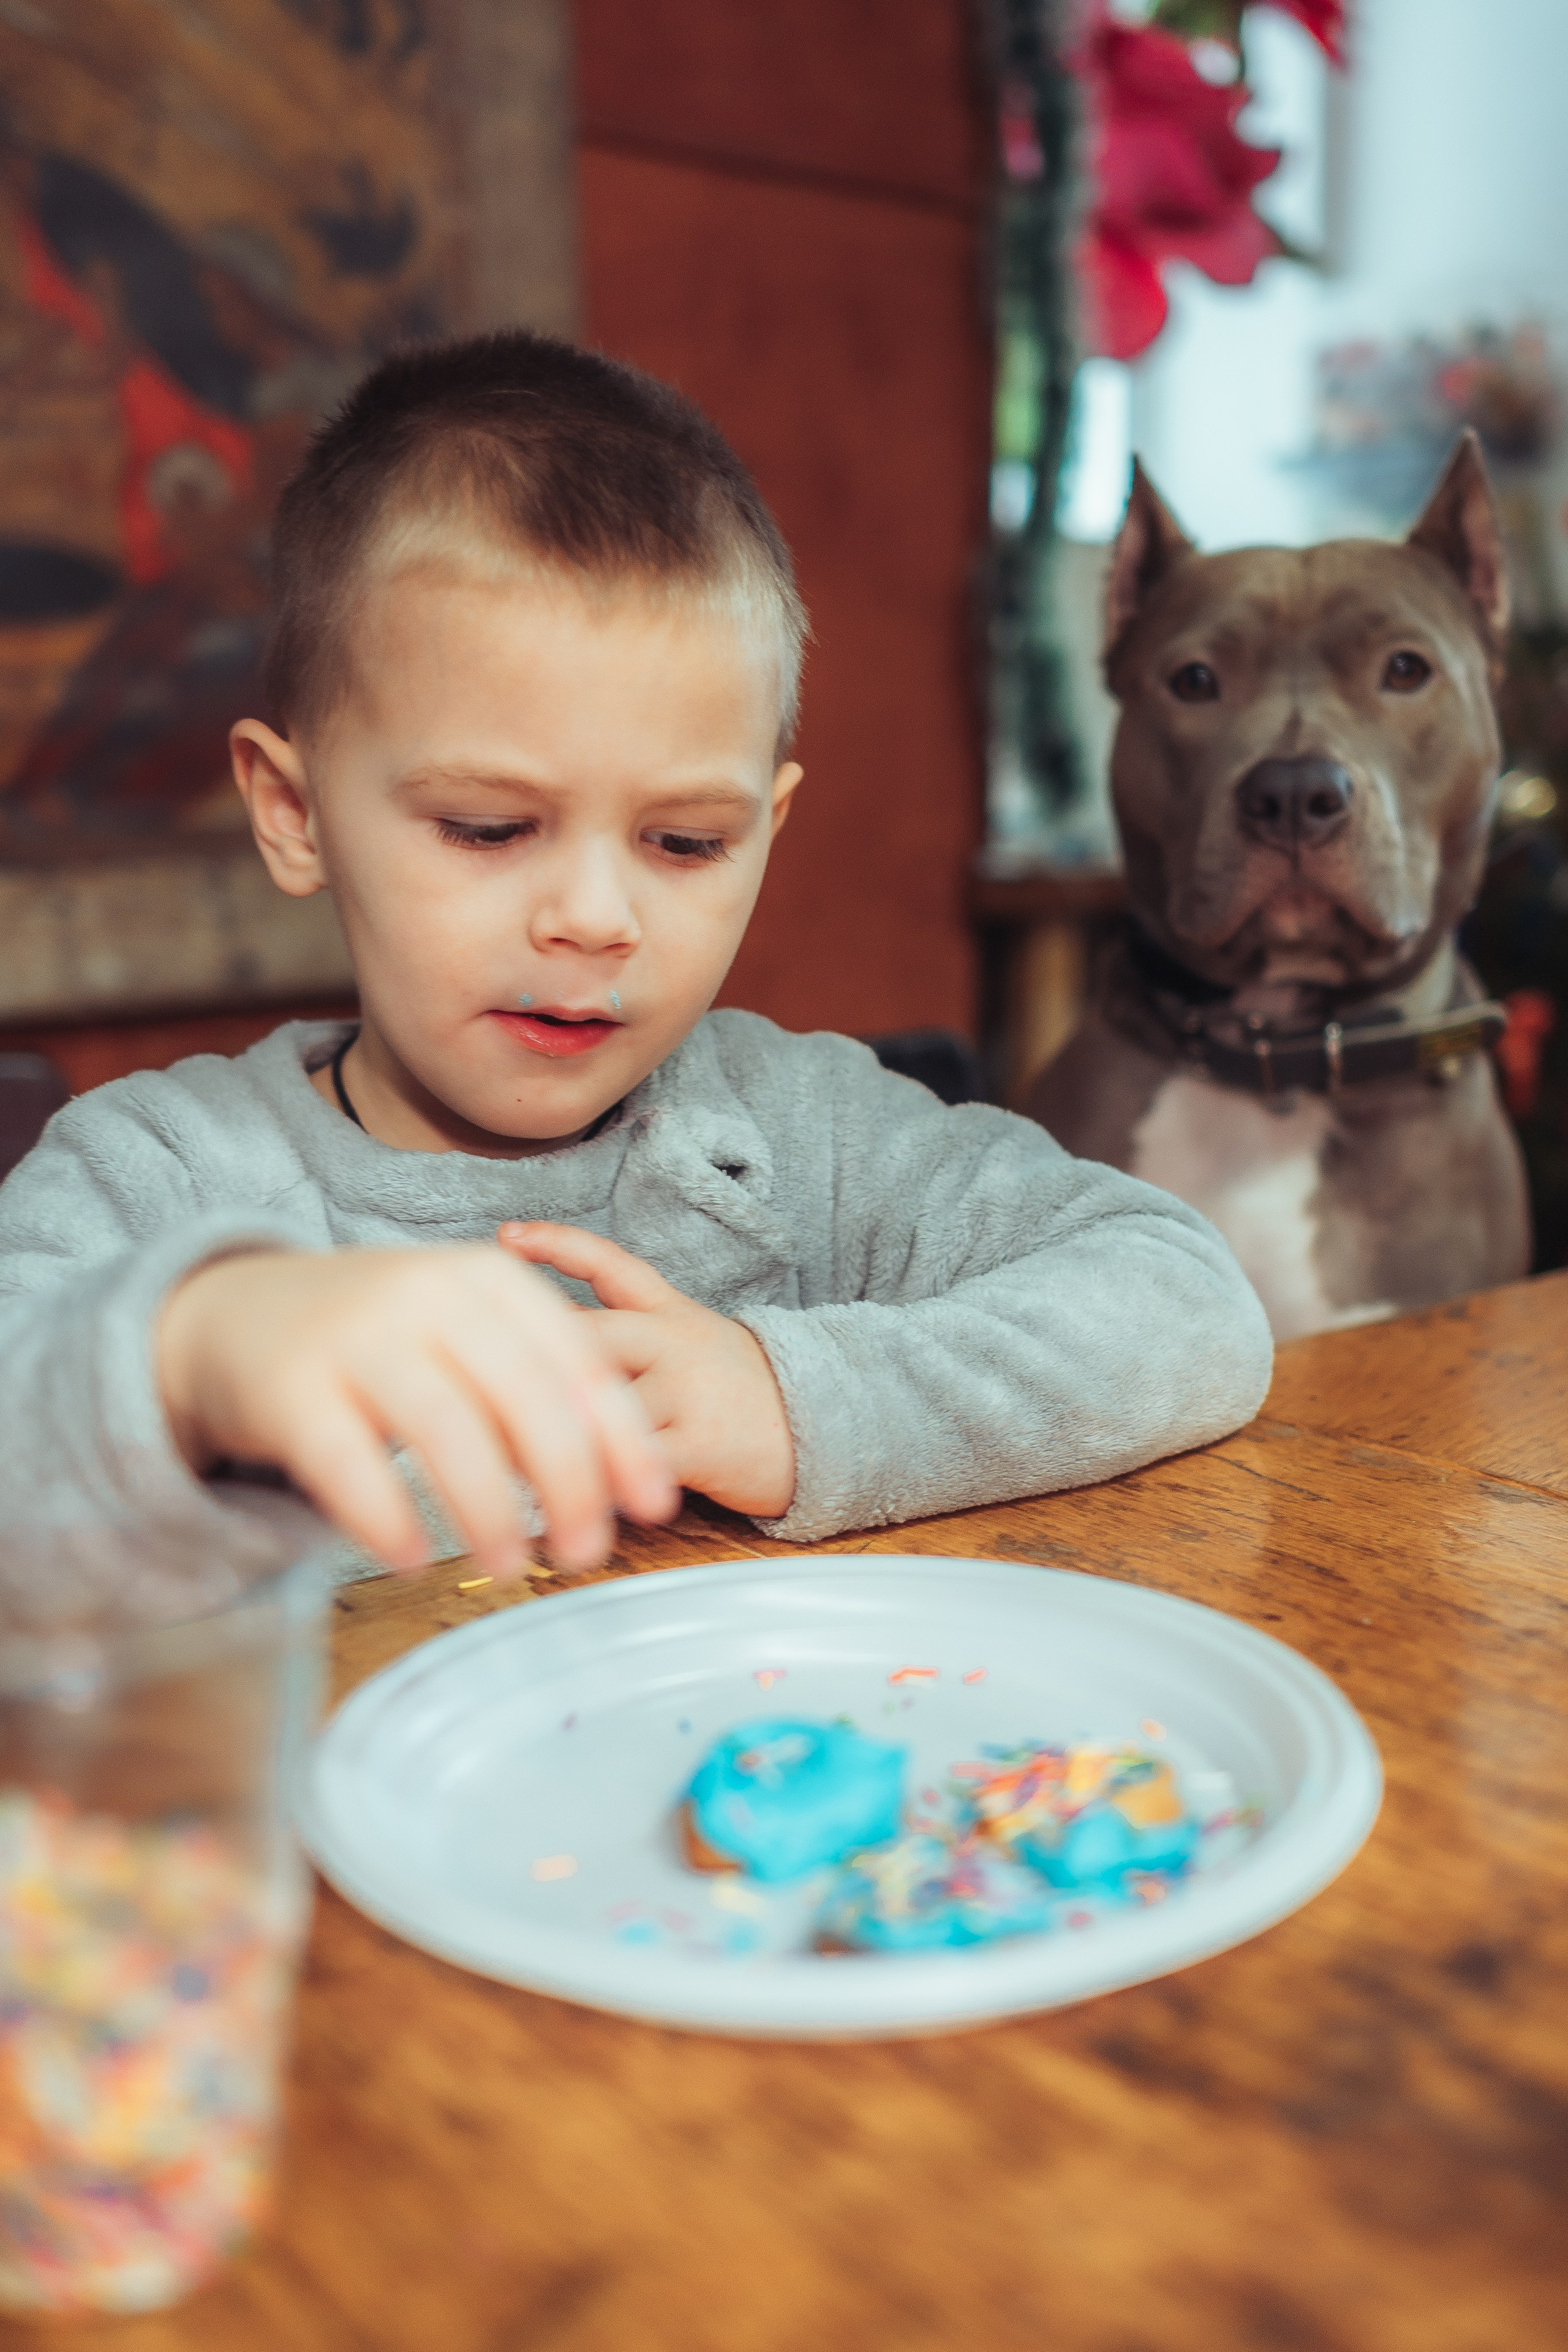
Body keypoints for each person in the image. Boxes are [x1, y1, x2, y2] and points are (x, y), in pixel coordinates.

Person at [0, 332, 1272, 1597]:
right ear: (294, 811)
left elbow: (1183, 1305)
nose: (596, 918)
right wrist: (195, 1348)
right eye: (490, 828)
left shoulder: (797, 1137)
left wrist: (789, 1394)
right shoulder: (156, 1178)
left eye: (683, 842)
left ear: (765, 831)